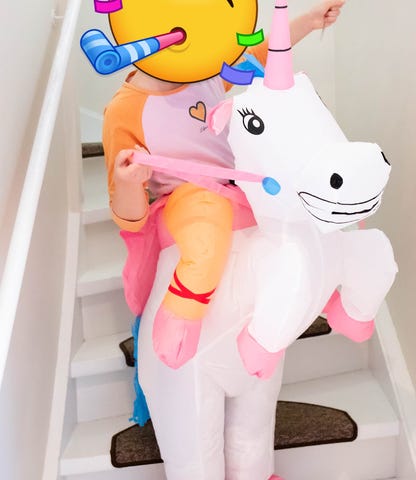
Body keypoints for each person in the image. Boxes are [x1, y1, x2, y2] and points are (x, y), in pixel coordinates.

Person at [104, 0, 345, 370]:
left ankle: (331, 292)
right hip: (186, 198)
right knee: (207, 223)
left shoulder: (206, 69)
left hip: (239, 187)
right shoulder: (125, 110)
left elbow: (260, 54)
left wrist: (309, 21)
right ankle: (180, 314)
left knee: (302, 203)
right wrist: (127, 182)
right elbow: (128, 217)